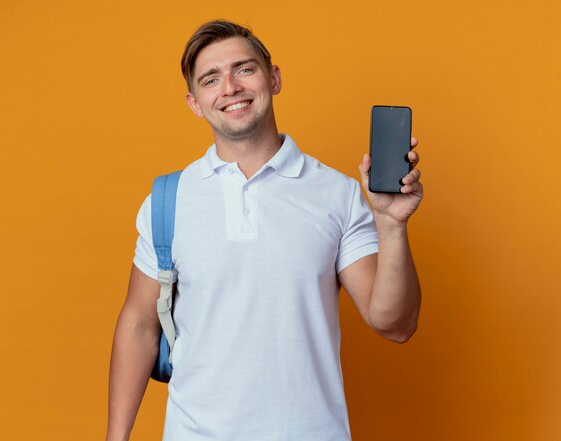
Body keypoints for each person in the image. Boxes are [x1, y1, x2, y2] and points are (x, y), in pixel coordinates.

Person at [107, 20, 423, 441]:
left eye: (245, 69)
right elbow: (139, 324)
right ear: (195, 102)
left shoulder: (337, 194)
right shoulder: (169, 199)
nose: (230, 87)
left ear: (273, 78)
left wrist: (392, 224)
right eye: (211, 79)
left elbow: (395, 324)